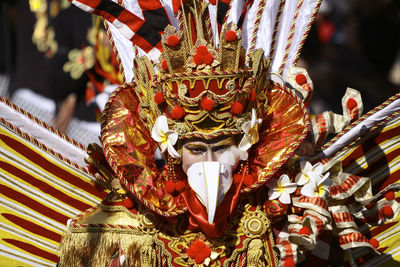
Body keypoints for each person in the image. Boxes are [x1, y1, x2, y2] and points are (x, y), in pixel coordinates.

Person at [54, 1, 400, 266]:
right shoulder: (129, 226)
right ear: (173, 149)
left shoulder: (292, 217)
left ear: (246, 146)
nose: (209, 162)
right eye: (196, 148)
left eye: (221, 147)